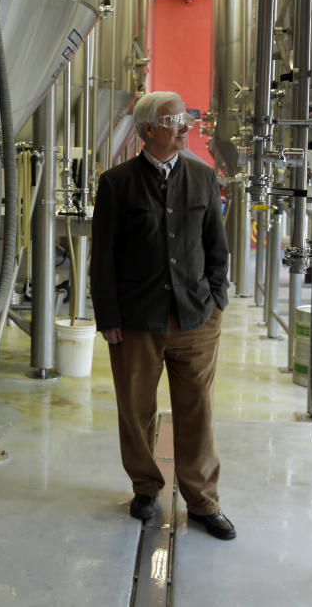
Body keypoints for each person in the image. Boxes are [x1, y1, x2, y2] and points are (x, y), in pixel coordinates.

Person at [89, 91, 235, 540]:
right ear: (149, 128)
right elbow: (104, 258)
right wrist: (108, 315)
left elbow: (216, 246)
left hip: (195, 317)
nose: (184, 128)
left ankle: (203, 501)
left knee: (198, 411)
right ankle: (146, 487)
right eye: (175, 121)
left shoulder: (203, 178)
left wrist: (215, 300)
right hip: (136, 321)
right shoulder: (116, 183)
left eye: (184, 120)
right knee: (136, 410)